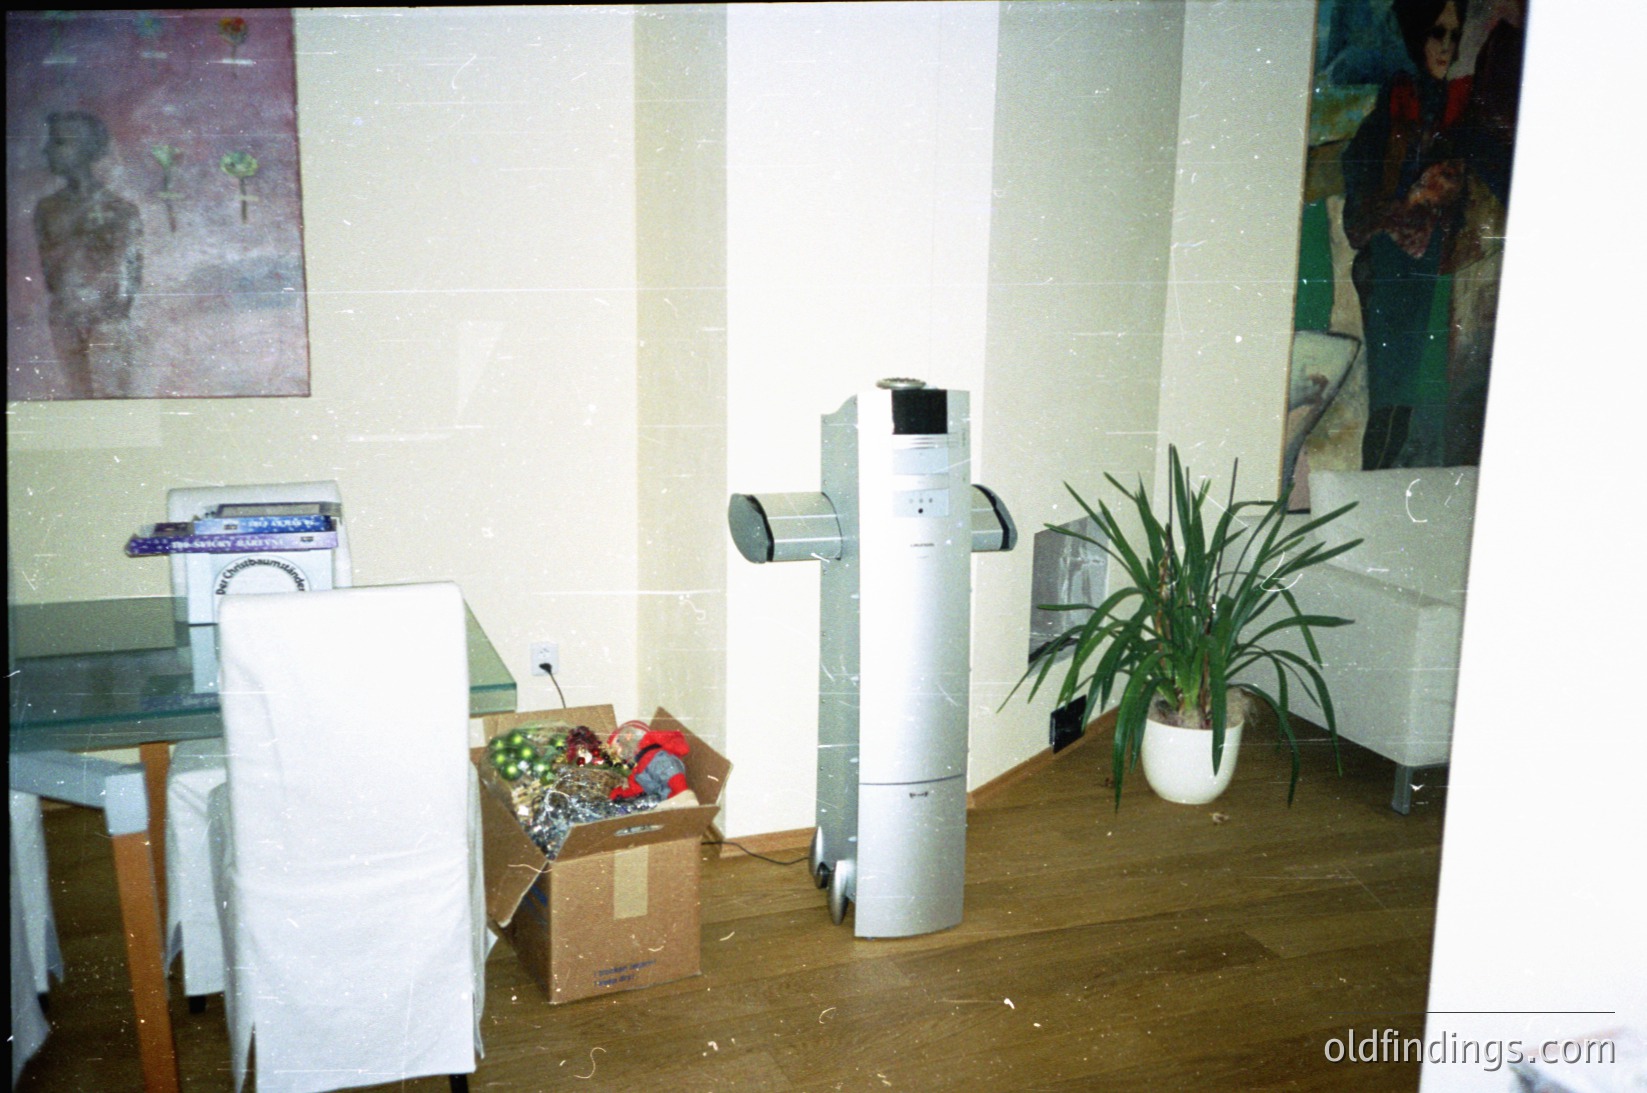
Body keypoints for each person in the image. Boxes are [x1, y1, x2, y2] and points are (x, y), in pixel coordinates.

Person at [1341, 0, 1472, 469]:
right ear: (1419, 36)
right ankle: (1377, 471)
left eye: (1454, 36)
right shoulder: (1395, 103)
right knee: (1390, 383)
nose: (1447, 47)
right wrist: (1401, 203)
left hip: (1436, 260)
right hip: (1394, 260)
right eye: (1438, 33)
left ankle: (1393, 470)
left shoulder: (1459, 106)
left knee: (1423, 382)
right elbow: (1359, 169)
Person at [33, 111, 143, 399]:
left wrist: (101, 313)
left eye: (59, 143)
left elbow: (128, 281)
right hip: (66, 318)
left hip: (107, 321)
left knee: (113, 398)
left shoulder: (121, 210)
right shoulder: (47, 209)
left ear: (85, 150)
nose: (46, 150)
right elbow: (51, 276)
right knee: (77, 396)